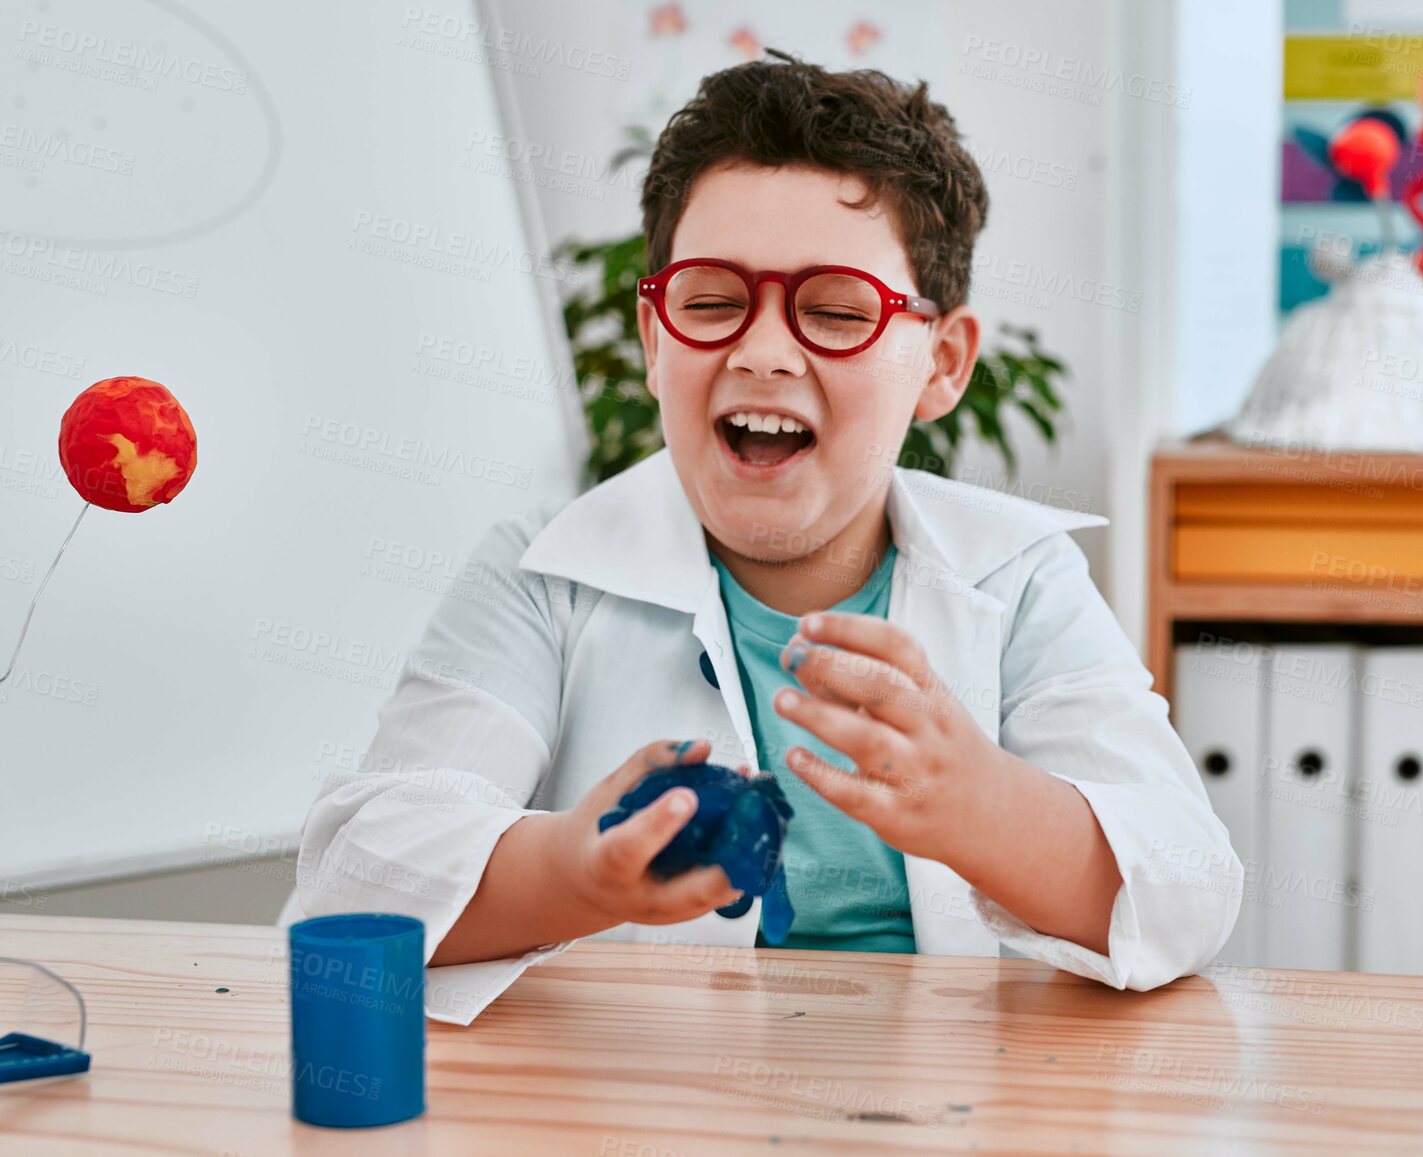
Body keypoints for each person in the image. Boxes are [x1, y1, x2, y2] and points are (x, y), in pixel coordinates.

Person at [290, 48, 1240, 1025]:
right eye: (708, 301)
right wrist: (575, 871)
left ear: (942, 364)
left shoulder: (1020, 580)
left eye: (833, 311)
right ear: (654, 341)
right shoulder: (541, 573)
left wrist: (980, 804)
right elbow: (349, 890)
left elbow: (1189, 886)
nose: (761, 351)